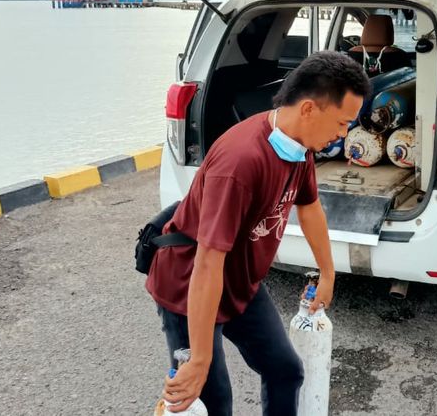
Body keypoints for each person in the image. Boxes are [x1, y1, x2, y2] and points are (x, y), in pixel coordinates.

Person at [146, 50, 372, 416]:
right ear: (310, 109)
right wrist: (200, 358)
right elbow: (206, 264)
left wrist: (328, 272)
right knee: (211, 398)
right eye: (343, 122)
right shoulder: (241, 163)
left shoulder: (300, 148)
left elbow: (310, 206)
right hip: (190, 286)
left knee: (285, 371)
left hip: (241, 282)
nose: (344, 134)